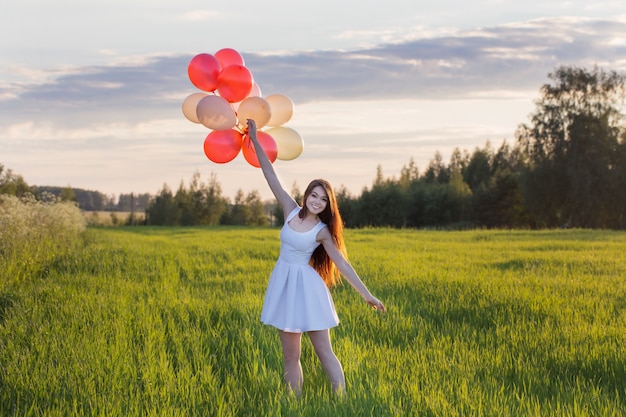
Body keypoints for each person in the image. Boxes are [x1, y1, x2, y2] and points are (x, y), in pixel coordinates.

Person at [246, 119, 386, 396]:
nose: (317, 201)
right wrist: (254, 138)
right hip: (284, 286)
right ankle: (293, 404)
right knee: (290, 356)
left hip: (309, 290)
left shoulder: (322, 231)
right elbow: (270, 174)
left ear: (327, 205)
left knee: (324, 351)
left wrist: (367, 295)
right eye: (314, 195)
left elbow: (342, 264)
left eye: (323, 199)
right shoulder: (289, 210)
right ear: (306, 195)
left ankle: (342, 400)